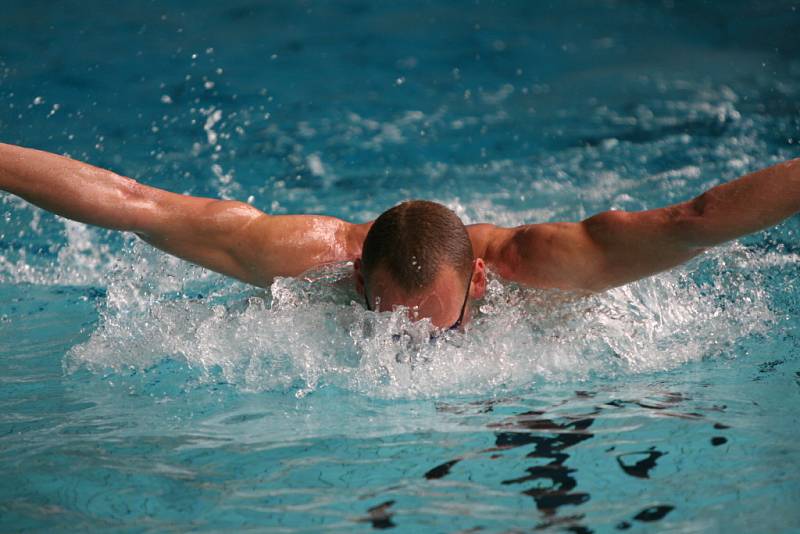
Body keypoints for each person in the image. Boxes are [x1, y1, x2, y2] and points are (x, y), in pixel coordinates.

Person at [1, 142, 798, 329]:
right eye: (393, 326)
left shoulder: (541, 266)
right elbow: (131, 200)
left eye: (438, 326)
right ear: (356, 282)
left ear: (480, 283)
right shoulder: (300, 257)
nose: (414, 352)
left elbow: (695, 220)